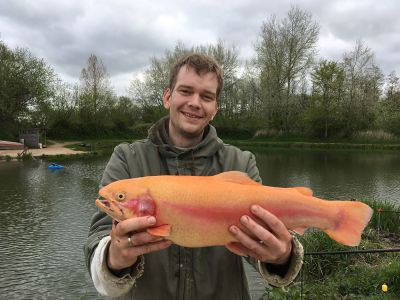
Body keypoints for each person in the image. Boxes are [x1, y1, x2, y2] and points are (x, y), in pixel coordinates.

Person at [84, 53, 304, 299]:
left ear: (215, 109)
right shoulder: (127, 158)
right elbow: (100, 238)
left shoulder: (241, 162)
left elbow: (256, 248)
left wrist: (282, 256)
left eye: (206, 96)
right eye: (186, 91)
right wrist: (114, 256)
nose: (195, 102)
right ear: (168, 97)